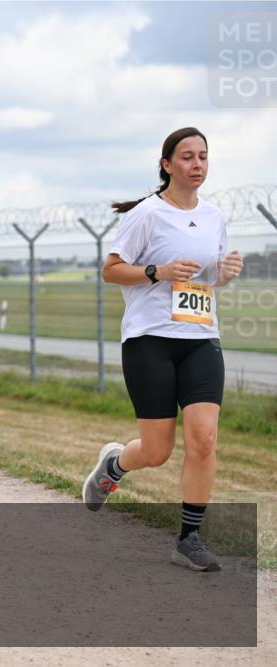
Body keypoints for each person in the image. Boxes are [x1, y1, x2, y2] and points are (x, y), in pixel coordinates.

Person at [83, 127, 243, 573]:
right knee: (156, 451)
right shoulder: (147, 215)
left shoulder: (214, 217)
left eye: (203, 157)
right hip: (149, 340)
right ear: (167, 165)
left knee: (204, 438)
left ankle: (189, 538)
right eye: (187, 157)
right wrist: (160, 270)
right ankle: (114, 465)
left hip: (200, 339)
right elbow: (111, 271)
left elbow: (205, 279)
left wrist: (225, 272)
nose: (197, 164)